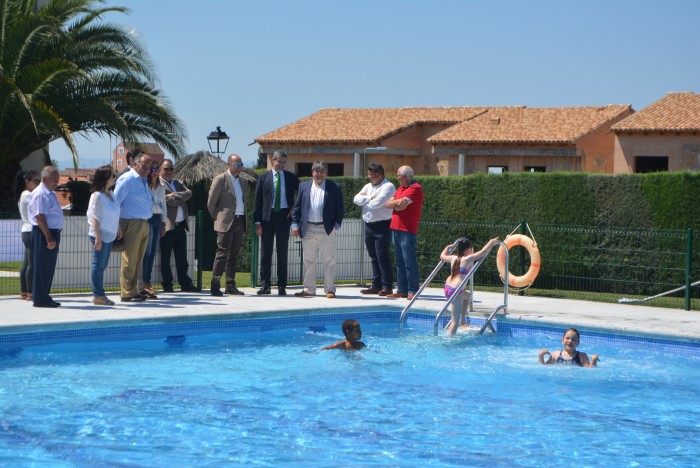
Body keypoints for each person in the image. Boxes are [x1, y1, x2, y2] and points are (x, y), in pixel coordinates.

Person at [291, 161, 344, 298]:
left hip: (326, 228)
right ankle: (309, 289)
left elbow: (340, 208)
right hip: (307, 228)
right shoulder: (303, 186)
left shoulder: (334, 187)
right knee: (309, 260)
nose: (319, 174)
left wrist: (336, 224)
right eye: (316, 171)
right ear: (312, 172)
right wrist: (295, 224)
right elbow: (297, 208)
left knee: (329, 260)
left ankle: (330, 290)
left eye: (322, 171)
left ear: (325, 172)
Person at [253, 150, 299, 296]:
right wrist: (257, 222)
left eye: (284, 162)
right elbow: (257, 201)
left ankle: (282, 285)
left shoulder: (291, 177)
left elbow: (302, 193)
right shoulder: (263, 177)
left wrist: (294, 209)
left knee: (282, 252)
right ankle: (265, 285)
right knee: (265, 253)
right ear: (273, 160)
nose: (281, 164)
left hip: (284, 217)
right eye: (279, 161)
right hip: (267, 218)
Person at [114, 153, 154, 302]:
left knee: (137, 260)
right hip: (130, 223)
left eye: (149, 167)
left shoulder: (143, 180)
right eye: (144, 166)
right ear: (135, 164)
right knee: (129, 259)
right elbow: (115, 202)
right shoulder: (128, 179)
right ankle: (126, 293)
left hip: (143, 223)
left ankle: (134, 290)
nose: (147, 169)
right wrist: (117, 225)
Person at [207, 154, 249, 296]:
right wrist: (218, 218)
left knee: (234, 255)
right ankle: (215, 284)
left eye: (241, 164)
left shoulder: (243, 181)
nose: (240, 167)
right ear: (229, 164)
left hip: (239, 220)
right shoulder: (220, 179)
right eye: (237, 164)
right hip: (225, 222)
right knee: (222, 254)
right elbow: (211, 203)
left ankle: (230, 285)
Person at [440, 237, 499, 336]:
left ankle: (463, 321)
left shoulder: (453, 258)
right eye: (471, 249)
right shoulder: (468, 259)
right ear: (468, 250)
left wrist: (448, 247)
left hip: (447, 288)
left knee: (468, 296)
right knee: (455, 320)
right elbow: (483, 252)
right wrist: (492, 242)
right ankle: (449, 341)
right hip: (456, 291)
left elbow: (442, 256)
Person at [353, 164, 396, 296]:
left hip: (382, 225)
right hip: (369, 225)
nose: (369, 177)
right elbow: (356, 199)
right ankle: (376, 285)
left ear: (378, 175)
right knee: (373, 256)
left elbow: (376, 204)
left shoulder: (388, 186)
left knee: (382, 256)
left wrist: (366, 200)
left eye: (371, 175)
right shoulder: (368, 186)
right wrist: (369, 198)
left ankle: (387, 286)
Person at [26, 166, 64, 308]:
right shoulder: (40, 194)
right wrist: (48, 237)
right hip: (44, 233)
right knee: (42, 267)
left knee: (48, 267)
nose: (57, 181)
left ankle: (44, 296)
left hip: (50, 232)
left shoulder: (49, 193)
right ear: (44, 179)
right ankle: (40, 299)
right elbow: (40, 217)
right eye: (54, 178)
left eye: (58, 177)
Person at [159, 158, 199, 293]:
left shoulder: (178, 183)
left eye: (171, 169)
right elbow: (165, 201)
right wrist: (179, 199)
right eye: (166, 169)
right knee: (165, 257)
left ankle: (185, 283)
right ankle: (167, 284)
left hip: (181, 225)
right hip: (167, 226)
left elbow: (189, 193)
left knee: (182, 257)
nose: (168, 172)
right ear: (160, 170)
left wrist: (175, 195)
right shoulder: (158, 184)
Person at [386, 165, 424, 300]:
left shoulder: (416, 188)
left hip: (407, 229)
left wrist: (394, 203)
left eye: (398, 175)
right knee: (399, 261)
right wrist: (396, 202)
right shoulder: (400, 189)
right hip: (395, 228)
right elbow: (388, 204)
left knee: (409, 262)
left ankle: (413, 290)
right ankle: (402, 289)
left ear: (406, 177)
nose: (397, 178)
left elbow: (402, 206)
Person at [87, 165, 121, 306]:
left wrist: (118, 227)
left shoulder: (111, 194)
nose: (114, 178)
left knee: (103, 264)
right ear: (105, 178)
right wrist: (98, 237)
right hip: (100, 235)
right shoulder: (97, 196)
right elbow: (95, 217)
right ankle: (98, 295)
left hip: (110, 234)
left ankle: (99, 294)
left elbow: (114, 212)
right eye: (112, 175)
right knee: (98, 265)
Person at [139, 159, 166, 299]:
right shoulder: (145, 185)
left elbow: (164, 205)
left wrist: (164, 222)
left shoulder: (161, 187)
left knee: (153, 251)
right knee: (147, 252)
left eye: (158, 170)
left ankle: (147, 281)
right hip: (148, 218)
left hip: (158, 218)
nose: (155, 173)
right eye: (153, 170)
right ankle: (143, 282)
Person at [15, 169, 40, 301]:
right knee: (32, 263)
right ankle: (30, 292)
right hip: (31, 230)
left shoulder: (23, 194)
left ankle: (24, 292)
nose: (39, 183)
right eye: (36, 181)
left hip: (26, 230)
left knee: (26, 263)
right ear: (27, 181)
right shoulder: (28, 195)